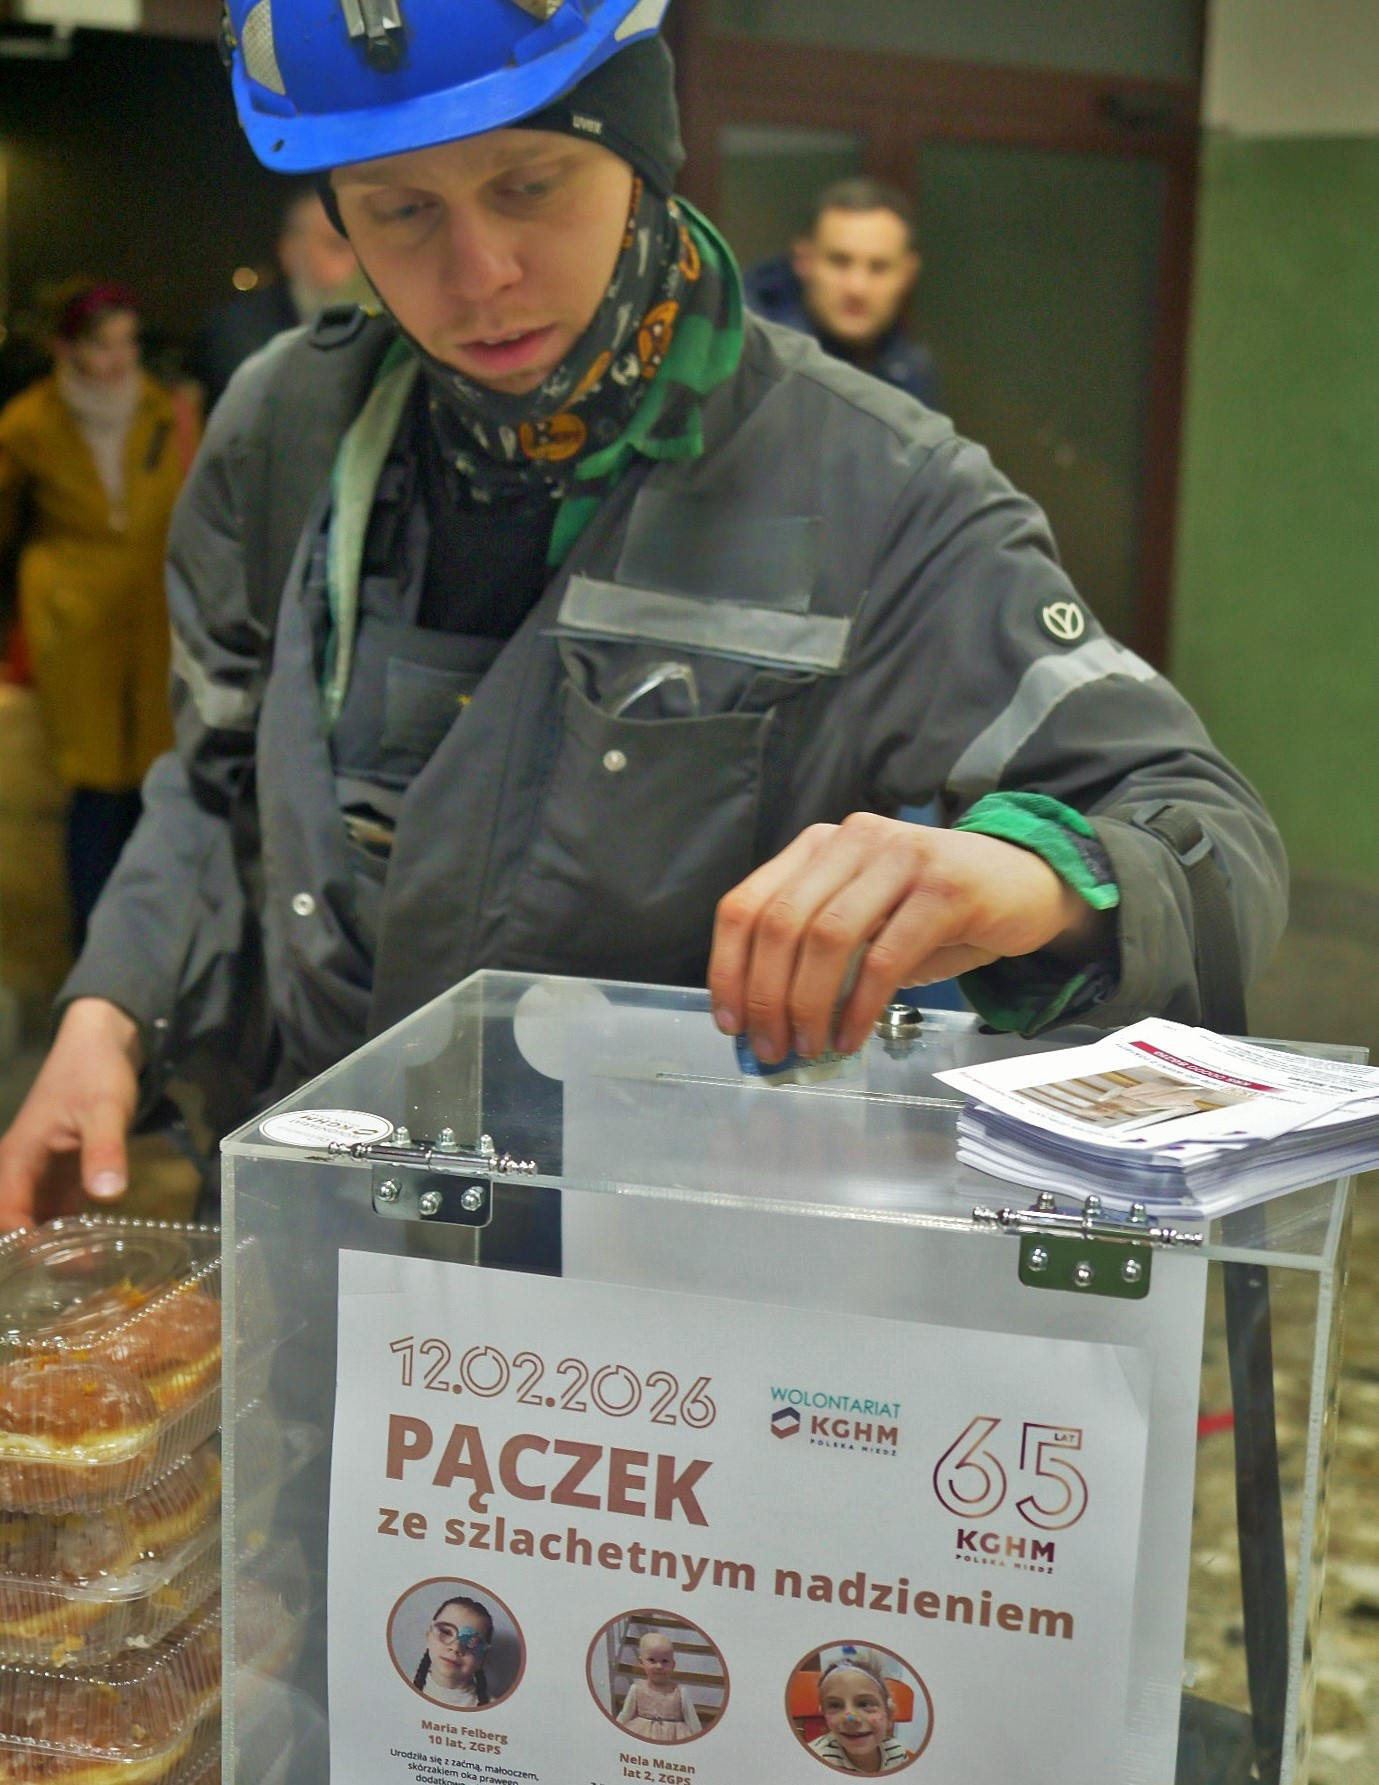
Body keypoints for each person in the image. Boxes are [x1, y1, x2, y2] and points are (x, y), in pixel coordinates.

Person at [0, 0, 1285, 1232]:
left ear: (642, 150)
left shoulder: (872, 490)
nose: (478, 275)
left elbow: (1205, 839)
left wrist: (1022, 875)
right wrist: (112, 1011)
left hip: (644, 1303)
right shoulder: (288, 427)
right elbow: (218, 782)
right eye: (401, 211)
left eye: (529, 185)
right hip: (307, 1226)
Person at [0, 280, 183, 950]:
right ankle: (94, 946)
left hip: (155, 616)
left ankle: (149, 940)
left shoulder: (164, 410)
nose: (118, 358)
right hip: (74, 623)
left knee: (157, 784)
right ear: (66, 348)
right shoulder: (28, 423)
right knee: (97, 787)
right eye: (102, 344)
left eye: (128, 341)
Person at [744, 179, 939, 407]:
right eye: (839, 262)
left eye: (878, 267)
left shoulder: (911, 370)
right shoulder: (747, 354)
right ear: (803, 260)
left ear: (907, 274)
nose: (857, 287)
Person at [188, 188, 358, 412]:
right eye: (338, 246)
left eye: (363, 247)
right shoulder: (241, 331)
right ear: (289, 252)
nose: (358, 263)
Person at [808, 1656, 910, 1773]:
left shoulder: (897, 1752)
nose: (850, 1718)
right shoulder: (815, 1760)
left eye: (864, 1704)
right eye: (835, 1705)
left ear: (889, 1715)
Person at [617, 1630, 701, 1741]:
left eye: (665, 1661)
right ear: (641, 1662)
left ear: (673, 1664)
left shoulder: (680, 1692)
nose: (659, 1666)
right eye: (652, 1660)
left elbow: (693, 1721)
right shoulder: (636, 1689)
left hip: (673, 1737)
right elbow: (625, 1715)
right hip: (642, 1734)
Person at [410, 1595, 493, 1707]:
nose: (456, 1648)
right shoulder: (399, 1689)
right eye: (446, 1632)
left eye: (471, 1642)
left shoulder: (492, 1708)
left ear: (482, 1658)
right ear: (428, 1636)